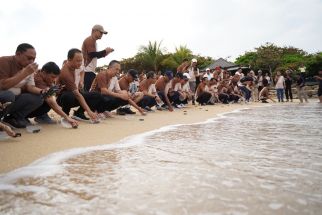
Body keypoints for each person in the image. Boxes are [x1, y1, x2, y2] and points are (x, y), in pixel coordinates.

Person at [0, 43, 43, 128]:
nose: (31, 62)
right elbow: (3, 85)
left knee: (39, 97)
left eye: (33, 59)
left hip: (14, 99)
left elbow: (30, 87)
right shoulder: (4, 61)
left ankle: (13, 119)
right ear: (18, 54)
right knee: (8, 95)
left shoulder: (28, 68)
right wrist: (24, 73)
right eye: (29, 58)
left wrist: (42, 91)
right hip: (4, 97)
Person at [27, 62, 78, 128]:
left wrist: (55, 89)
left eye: (55, 77)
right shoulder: (38, 79)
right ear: (44, 73)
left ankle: (42, 116)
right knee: (46, 98)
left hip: (32, 103)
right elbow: (50, 101)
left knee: (50, 95)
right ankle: (21, 117)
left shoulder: (45, 77)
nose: (54, 80)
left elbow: (51, 93)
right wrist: (66, 117)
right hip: (25, 104)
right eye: (52, 77)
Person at [56, 48, 100, 122]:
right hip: (62, 98)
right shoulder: (65, 73)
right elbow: (77, 95)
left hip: (76, 93)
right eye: (78, 61)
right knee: (69, 95)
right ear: (69, 59)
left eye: (81, 60)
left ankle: (79, 114)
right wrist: (89, 111)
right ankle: (65, 116)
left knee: (96, 95)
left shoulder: (77, 65)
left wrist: (81, 81)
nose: (80, 63)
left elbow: (82, 70)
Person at [82, 24, 114, 91]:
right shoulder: (90, 39)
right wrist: (105, 51)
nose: (102, 34)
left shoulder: (93, 41)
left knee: (88, 91)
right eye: (101, 32)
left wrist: (105, 53)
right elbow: (92, 54)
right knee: (87, 92)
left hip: (89, 70)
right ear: (94, 31)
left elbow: (94, 56)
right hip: (87, 70)